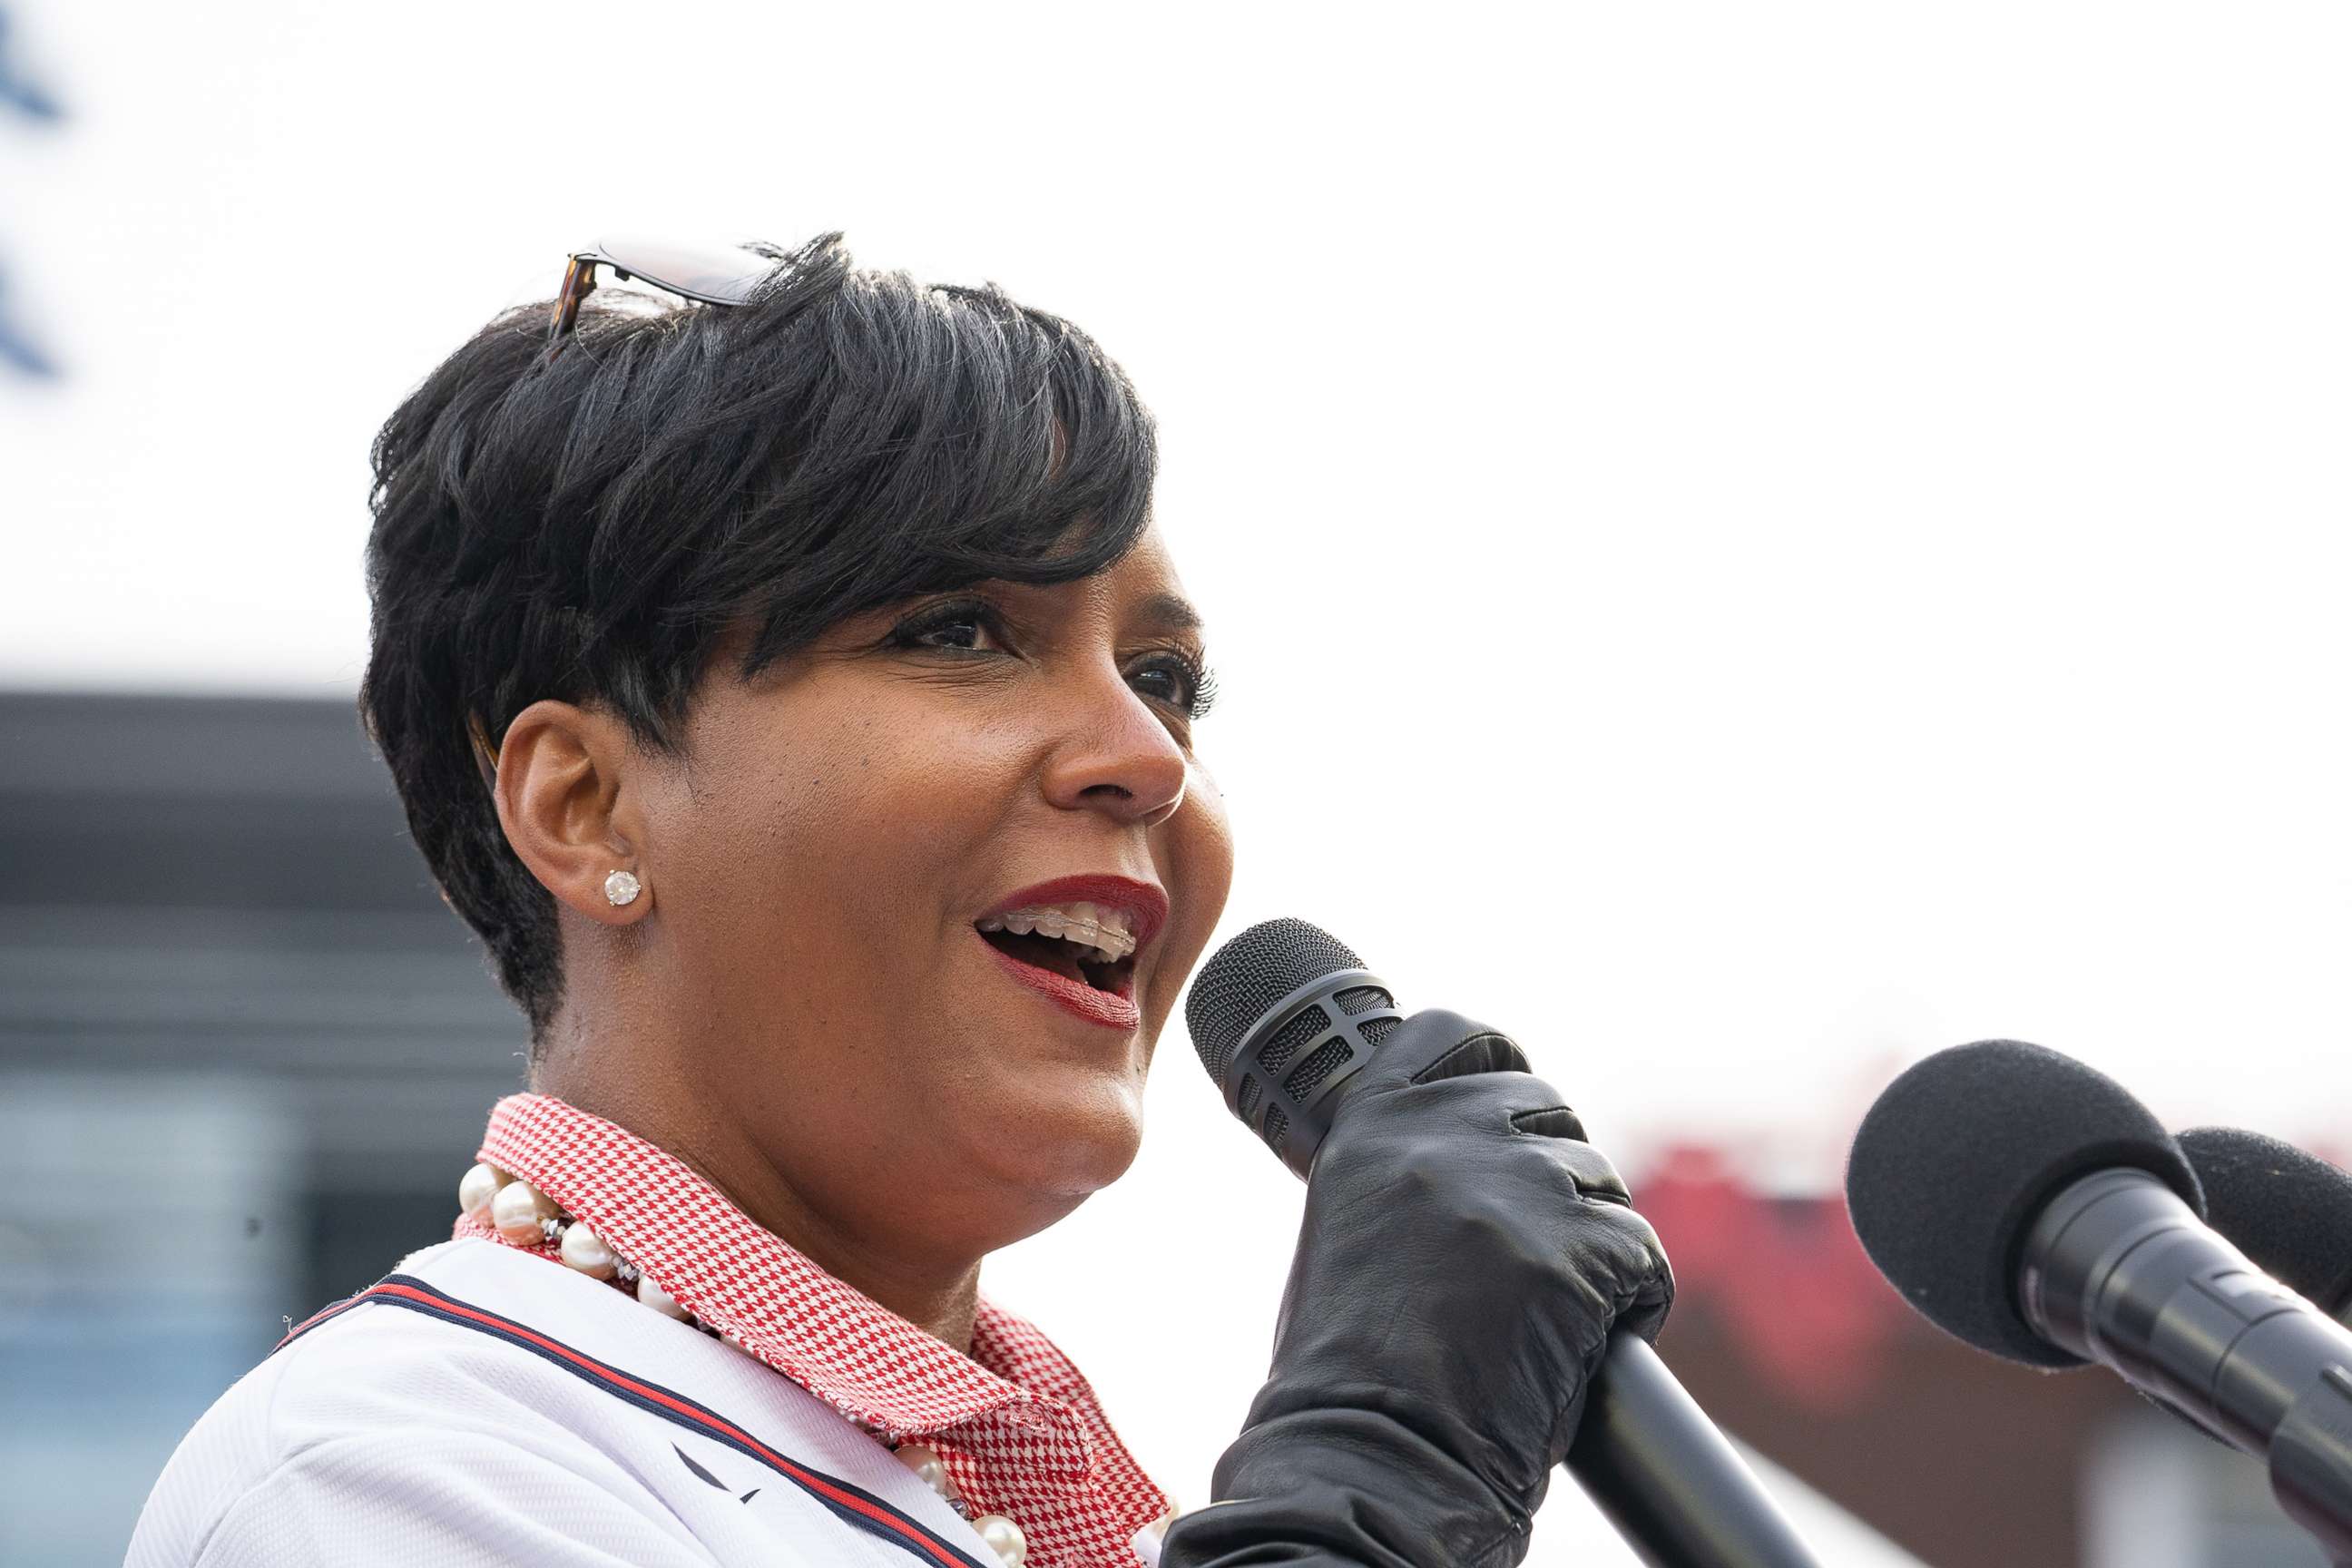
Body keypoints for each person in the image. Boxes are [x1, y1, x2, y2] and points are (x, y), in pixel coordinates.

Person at [125, 233, 1671, 1568]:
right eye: (958, 632)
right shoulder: (380, 1475)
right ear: (586, 802)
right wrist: (1384, 1471)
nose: (1146, 758)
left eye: (1166, 679)